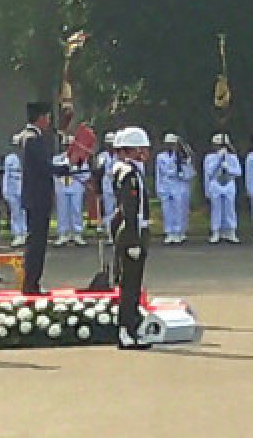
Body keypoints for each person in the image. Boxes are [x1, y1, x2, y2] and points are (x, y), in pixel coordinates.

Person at [110, 127, 153, 350]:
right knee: (129, 284)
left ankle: (132, 326)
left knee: (134, 284)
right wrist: (133, 240)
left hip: (135, 231)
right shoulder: (128, 174)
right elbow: (130, 210)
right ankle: (126, 329)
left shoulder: (132, 171)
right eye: (142, 149)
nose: (145, 153)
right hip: (131, 233)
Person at [20, 101, 57, 295]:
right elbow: (44, 167)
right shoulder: (32, 138)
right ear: (41, 118)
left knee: (39, 242)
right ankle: (30, 284)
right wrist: (63, 169)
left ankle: (33, 282)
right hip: (37, 198)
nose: (49, 121)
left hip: (37, 197)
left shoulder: (33, 137)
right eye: (48, 117)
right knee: (36, 243)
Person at [156, 134, 195, 245]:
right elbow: (159, 173)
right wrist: (159, 188)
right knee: (167, 210)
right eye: (168, 144)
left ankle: (179, 232)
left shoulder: (183, 155)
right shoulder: (160, 156)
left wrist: (183, 167)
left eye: (172, 144)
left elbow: (189, 172)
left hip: (179, 184)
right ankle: (169, 232)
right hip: (166, 184)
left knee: (180, 209)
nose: (170, 146)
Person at [203, 134, 242, 244]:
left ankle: (230, 231)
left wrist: (228, 168)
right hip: (216, 182)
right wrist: (219, 159)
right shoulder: (209, 157)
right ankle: (216, 231)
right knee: (216, 208)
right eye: (217, 145)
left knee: (229, 208)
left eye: (221, 145)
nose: (219, 148)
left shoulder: (232, 157)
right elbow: (209, 172)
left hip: (229, 182)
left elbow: (238, 172)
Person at [54, 152, 90, 247]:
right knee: (62, 211)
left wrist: (74, 172)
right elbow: (53, 172)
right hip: (61, 187)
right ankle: (62, 234)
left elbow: (86, 174)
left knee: (76, 210)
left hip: (76, 186)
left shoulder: (81, 159)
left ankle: (77, 234)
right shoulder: (57, 158)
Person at [1, 136, 26, 248]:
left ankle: (26, 233)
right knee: (15, 213)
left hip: (25, 188)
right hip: (12, 189)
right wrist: (5, 190)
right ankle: (17, 234)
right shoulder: (9, 158)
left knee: (25, 212)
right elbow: (6, 175)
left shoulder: (28, 157)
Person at [96, 132, 118, 230]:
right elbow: (98, 171)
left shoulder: (120, 155)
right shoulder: (102, 156)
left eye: (112, 143)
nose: (110, 146)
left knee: (117, 209)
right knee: (108, 209)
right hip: (106, 184)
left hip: (118, 183)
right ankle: (109, 231)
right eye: (108, 144)